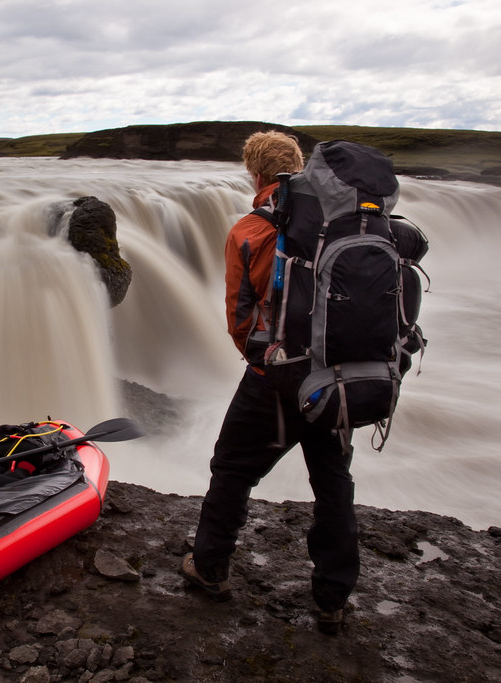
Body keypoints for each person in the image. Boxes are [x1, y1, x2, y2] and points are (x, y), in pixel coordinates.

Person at [181, 131, 359, 635]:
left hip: (275, 379)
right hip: (339, 379)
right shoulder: (347, 223)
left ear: (255, 175)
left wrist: (265, 364)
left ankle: (210, 569)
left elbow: (241, 318)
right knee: (333, 483)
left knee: (232, 469)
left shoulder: (252, 229)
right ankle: (332, 599)